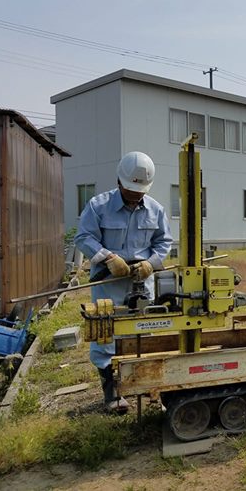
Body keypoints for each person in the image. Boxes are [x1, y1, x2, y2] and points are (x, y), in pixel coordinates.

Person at [75, 152, 172, 413]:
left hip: (141, 283)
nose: (136, 196)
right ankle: (112, 394)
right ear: (120, 182)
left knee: (143, 334)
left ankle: (148, 390)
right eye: (131, 191)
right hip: (108, 285)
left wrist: (151, 263)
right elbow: (83, 237)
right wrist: (107, 257)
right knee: (106, 337)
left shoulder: (155, 209)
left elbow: (164, 243)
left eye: (140, 192)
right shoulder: (99, 206)